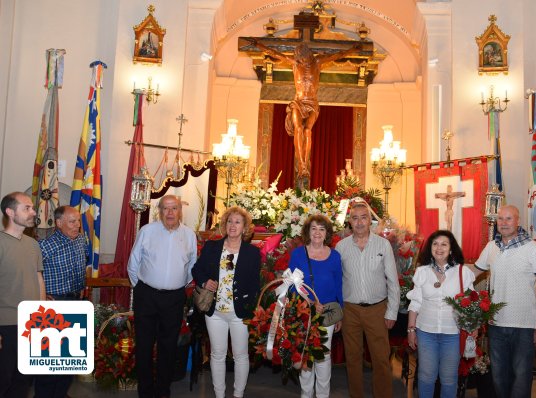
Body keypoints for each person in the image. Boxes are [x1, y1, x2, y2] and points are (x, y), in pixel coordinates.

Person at [470, 205, 536, 398]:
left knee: (521, 378)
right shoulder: (491, 247)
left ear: (518, 221)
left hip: (524, 327)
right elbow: (472, 273)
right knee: (498, 377)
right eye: (500, 219)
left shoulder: (533, 248)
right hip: (496, 324)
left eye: (508, 219)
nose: (504, 223)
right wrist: (443, 273)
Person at [251, 38, 361, 181]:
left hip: (312, 103)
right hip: (298, 101)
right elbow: (276, 54)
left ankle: (304, 163)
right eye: (299, 57)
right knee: (298, 129)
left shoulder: (318, 63)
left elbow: (336, 56)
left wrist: (352, 50)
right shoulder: (295, 64)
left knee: (307, 130)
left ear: (308, 55)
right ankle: (302, 164)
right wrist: (259, 45)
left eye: (302, 57)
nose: (301, 60)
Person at [127, 195, 197, 398]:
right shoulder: (147, 231)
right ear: (160, 211)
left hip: (174, 299)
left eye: (174, 208)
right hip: (146, 296)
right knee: (144, 346)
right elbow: (133, 262)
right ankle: (145, 392)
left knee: (168, 348)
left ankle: (163, 391)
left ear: (180, 211)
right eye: (165, 209)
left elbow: (192, 266)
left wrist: (177, 286)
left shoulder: (189, 235)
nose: (170, 213)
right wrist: (139, 288)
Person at [192, 206, 261, 398]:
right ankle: (219, 394)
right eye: (230, 221)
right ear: (224, 224)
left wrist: (251, 304)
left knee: (240, 356)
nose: (233, 225)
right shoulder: (212, 247)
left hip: (240, 313)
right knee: (217, 355)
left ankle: (238, 394)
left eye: (238, 222)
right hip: (215, 312)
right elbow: (196, 270)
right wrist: (206, 281)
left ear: (245, 227)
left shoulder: (252, 253)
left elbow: (255, 283)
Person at [335, 200, 400, 398]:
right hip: (350, 311)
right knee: (353, 359)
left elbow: (393, 281)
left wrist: (392, 311)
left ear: (370, 220)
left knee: (381, 359)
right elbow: (336, 282)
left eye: (364, 217)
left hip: (377, 310)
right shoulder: (341, 247)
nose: (360, 222)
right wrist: (337, 313)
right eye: (355, 218)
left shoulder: (383, 244)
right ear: (350, 222)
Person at [406, 230, 475, 398]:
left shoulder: (462, 272)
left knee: (449, 379)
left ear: (451, 249)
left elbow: (471, 304)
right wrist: (411, 330)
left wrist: (473, 326)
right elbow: (415, 303)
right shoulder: (422, 272)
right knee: (426, 376)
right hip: (426, 332)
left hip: (452, 334)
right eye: (435, 244)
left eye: (444, 244)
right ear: (430, 248)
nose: (439, 248)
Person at [34, 205, 87, 398]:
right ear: (58, 223)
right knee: (50, 360)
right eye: (72, 222)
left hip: (76, 302)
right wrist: (40, 293)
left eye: (78, 221)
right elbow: (32, 271)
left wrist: (81, 286)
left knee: (70, 359)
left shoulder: (81, 240)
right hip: (54, 305)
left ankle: (61, 393)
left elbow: (80, 265)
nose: (77, 225)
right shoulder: (45, 245)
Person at [289, 214, 343, 398]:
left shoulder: (335, 256)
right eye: (314, 228)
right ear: (307, 231)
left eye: (322, 229)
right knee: (304, 354)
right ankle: (306, 394)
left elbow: (339, 286)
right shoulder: (297, 254)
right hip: (303, 311)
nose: (317, 232)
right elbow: (291, 284)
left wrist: (339, 314)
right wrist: (308, 303)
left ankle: (322, 395)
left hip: (327, 314)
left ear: (327, 233)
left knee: (323, 356)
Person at [0, 192, 45, 398]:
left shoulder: (33, 244)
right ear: (10, 212)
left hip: (32, 323)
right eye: (26, 208)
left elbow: (38, 279)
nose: (33, 212)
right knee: (4, 379)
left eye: (32, 208)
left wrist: (43, 317)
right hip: (6, 324)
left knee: (24, 379)